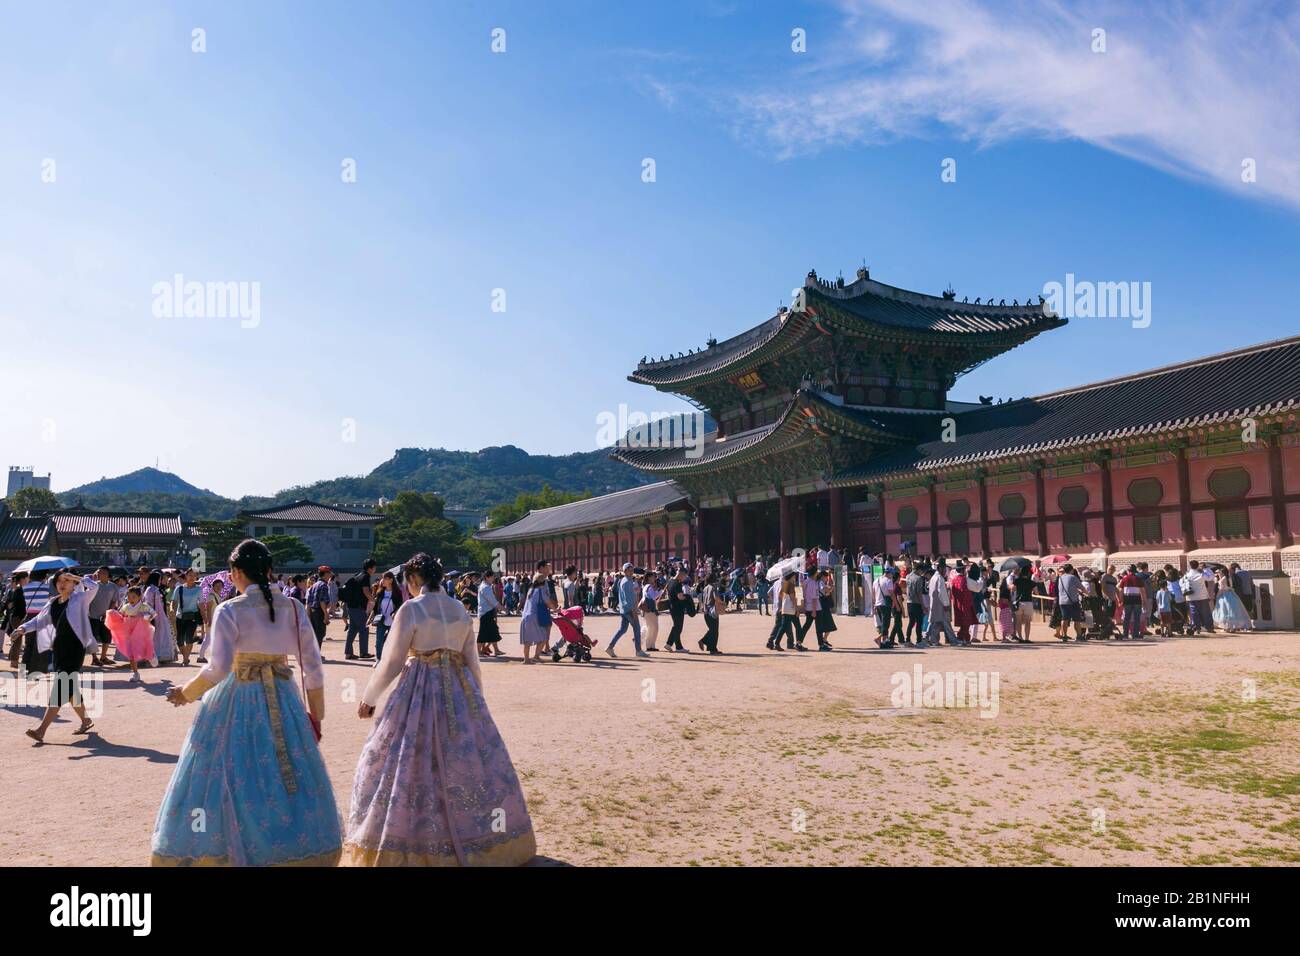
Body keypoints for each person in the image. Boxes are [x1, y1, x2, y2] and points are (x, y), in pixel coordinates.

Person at [152, 539, 341, 867]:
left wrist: (187, 692)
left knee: (226, 771)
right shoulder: (293, 608)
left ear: (236, 572)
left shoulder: (231, 609)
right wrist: (316, 714)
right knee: (285, 773)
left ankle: (218, 849)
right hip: (283, 698)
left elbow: (218, 668)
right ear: (268, 571)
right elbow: (312, 666)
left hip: (237, 696)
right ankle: (292, 850)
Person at [343, 553, 535, 866]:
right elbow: (472, 659)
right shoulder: (458, 608)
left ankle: (412, 837)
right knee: (461, 760)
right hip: (458, 688)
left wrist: (370, 696)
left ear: (413, 579)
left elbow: (392, 661)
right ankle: (476, 837)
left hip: (418, 686)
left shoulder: (412, 608)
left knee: (408, 759)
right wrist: (477, 702)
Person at [8, 570, 99, 742]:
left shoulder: (80, 599)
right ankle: (86, 720)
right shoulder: (52, 602)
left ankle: (41, 730)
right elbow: (38, 621)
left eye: (67, 580)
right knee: (70, 688)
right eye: (59, 581)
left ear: (74, 584)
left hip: (74, 649)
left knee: (61, 686)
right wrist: (22, 629)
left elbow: (94, 587)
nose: (62, 584)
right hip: (59, 649)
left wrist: (78, 578)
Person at [106, 586, 157, 682]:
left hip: (141, 630)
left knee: (144, 647)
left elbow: (154, 614)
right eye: (129, 597)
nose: (131, 599)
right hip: (128, 631)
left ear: (139, 597)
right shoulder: (126, 606)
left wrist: (145, 616)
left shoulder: (144, 606)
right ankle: (135, 673)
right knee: (131, 653)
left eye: (133, 597)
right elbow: (120, 614)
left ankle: (151, 655)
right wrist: (112, 614)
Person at [608, 563, 648, 658]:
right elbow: (628, 599)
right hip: (629, 610)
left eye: (632, 569)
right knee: (637, 629)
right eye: (629, 569)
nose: (631, 571)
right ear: (625, 571)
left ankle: (610, 647)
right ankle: (638, 650)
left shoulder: (624, 581)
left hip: (624, 609)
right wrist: (633, 611)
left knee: (622, 629)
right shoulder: (627, 582)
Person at [340, 559, 376, 660]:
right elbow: (365, 590)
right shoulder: (365, 576)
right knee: (364, 628)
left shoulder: (358, 574)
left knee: (353, 629)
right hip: (358, 606)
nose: (374, 570)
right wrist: (373, 601)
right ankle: (363, 652)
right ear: (370, 568)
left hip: (351, 605)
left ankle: (348, 653)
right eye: (374, 568)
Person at [518, 569, 555, 665]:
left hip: (525, 617)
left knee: (527, 640)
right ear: (543, 582)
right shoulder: (541, 591)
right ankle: (536, 656)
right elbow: (548, 603)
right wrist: (556, 609)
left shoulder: (531, 590)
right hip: (535, 617)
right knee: (544, 637)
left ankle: (526, 659)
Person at [86, 566, 119, 667]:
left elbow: (114, 601)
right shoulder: (93, 586)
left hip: (106, 616)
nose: (100, 574)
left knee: (107, 637)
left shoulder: (113, 586)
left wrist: (108, 612)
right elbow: (87, 599)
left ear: (108, 574)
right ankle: (94, 658)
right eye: (99, 572)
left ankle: (103, 657)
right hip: (93, 615)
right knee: (93, 638)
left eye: (103, 572)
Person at [142, 571, 177, 664]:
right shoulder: (150, 589)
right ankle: (153, 655)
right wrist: (150, 616)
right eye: (161, 579)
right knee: (155, 636)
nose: (162, 580)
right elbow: (148, 604)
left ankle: (159, 655)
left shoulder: (156, 589)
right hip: (154, 615)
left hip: (160, 615)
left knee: (161, 635)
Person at [171, 568, 203, 665]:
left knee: (189, 638)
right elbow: (173, 600)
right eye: (190, 575)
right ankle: (186, 656)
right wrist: (172, 608)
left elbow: (201, 604)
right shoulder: (179, 588)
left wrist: (205, 616)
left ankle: (185, 660)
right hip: (180, 616)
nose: (192, 577)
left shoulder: (199, 589)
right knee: (179, 640)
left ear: (196, 577)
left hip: (192, 617)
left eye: (194, 575)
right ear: (185, 576)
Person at [371, 571, 405, 661]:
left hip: (393, 621)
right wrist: (371, 617)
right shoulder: (380, 593)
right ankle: (379, 659)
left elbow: (400, 605)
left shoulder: (397, 592)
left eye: (385, 578)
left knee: (392, 641)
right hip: (381, 620)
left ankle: (391, 659)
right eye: (382, 578)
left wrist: (395, 612)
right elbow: (376, 607)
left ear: (391, 580)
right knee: (379, 641)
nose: (382, 580)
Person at [767, 572, 800, 651]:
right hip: (785, 608)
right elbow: (791, 597)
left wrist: (775, 601)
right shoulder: (786, 583)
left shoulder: (776, 583)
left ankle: (777, 642)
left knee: (782, 626)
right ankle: (774, 642)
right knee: (783, 626)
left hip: (779, 607)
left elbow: (769, 593)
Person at [475, 570, 502, 658]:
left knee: (493, 631)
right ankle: (478, 652)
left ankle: (496, 650)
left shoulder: (487, 586)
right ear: (487, 577)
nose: (494, 578)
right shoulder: (485, 587)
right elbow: (492, 601)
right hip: (485, 613)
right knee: (483, 633)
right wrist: (501, 608)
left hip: (488, 612)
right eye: (492, 577)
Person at [1054, 564, 1085, 642]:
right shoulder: (1073, 577)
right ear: (1071, 570)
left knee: (1064, 619)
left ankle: (1064, 635)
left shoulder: (1060, 578)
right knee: (1076, 619)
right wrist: (1086, 593)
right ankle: (1078, 636)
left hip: (1062, 601)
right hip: (1073, 601)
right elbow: (1081, 587)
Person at [664, 567, 692, 653]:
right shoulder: (677, 584)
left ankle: (669, 644)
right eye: (684, 576)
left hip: (672, 607)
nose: (684, 578)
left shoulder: (670, 581)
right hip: (677, 608)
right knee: (678, 627)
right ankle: (678, 647)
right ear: (681, 574)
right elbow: (680, 596)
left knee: (676, 626)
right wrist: (687, 597)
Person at [306, 567, 332, 649]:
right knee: (320, 633)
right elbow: (322, 601)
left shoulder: (314, 585)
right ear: (326, 574)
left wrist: (309, 614)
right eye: (329, 573)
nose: (330, 574)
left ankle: (313, 653)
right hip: (319, 611)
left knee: (315, 633)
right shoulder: (323, 585)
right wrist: (326, 614)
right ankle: (316, 654)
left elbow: (309, 602)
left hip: (313, 611)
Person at [698, 571, 723, 654]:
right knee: (714, 631)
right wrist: (722, 603)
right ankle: (704, 642)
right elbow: (716, 598)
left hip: (706, 612)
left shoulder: (705, 588)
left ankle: (711, 648)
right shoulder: (713, 587)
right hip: (712, 611)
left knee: (712, 630)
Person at [813, 569, 836, 651]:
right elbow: (826, 591)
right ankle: (823, 640)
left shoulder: (818, 582)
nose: (827, 578)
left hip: (822, 603)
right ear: (823, 576)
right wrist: (831, 587)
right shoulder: (821, 582)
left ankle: (824, 640)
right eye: (826, 577)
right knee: (828, 623)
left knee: (827, 623)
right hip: (823, 604)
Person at [640, 571, 662, 652]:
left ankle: (641, 640)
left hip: (646, 609)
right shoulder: (649, 586)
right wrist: (660, 592)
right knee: (654, 627)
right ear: (649, 577)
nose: (654, 578)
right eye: (653, 577)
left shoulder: (645, 586)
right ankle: (650, 645)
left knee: (648, 626)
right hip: (650, 609)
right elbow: (653, 597)